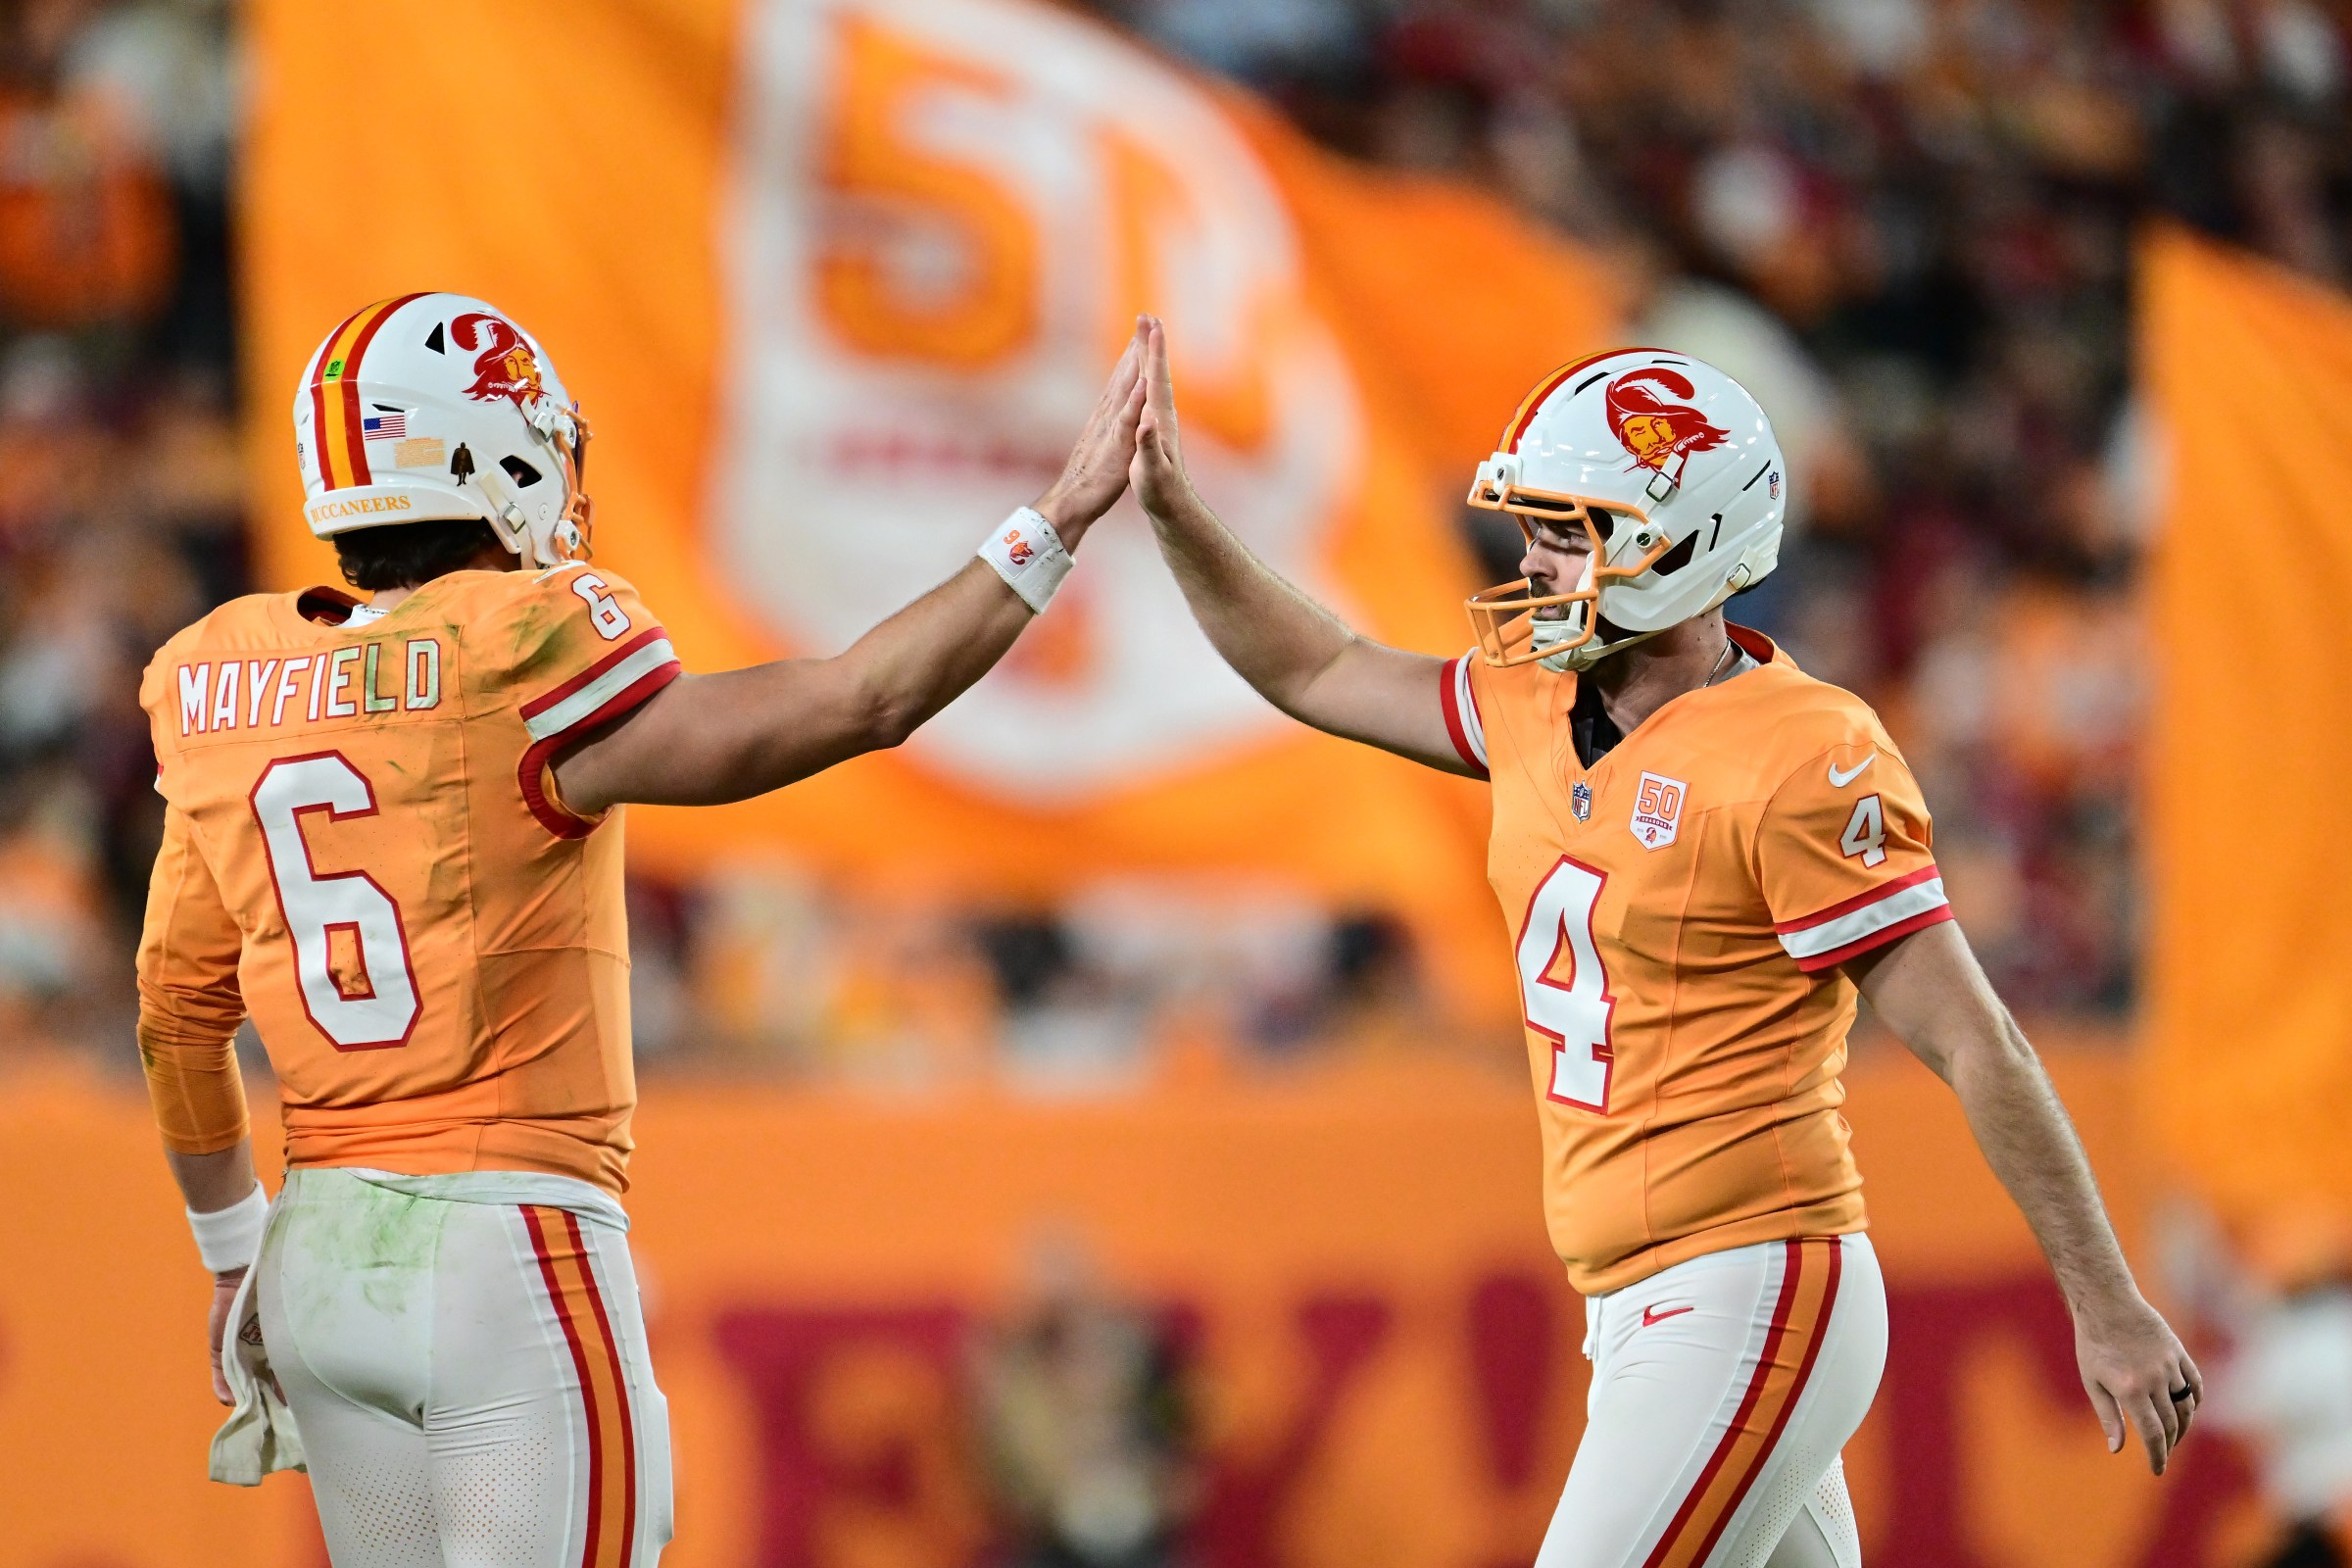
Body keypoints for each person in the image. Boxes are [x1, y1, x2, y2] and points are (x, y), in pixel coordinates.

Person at [1125, 320, 2201, 1568]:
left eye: (1567, 531)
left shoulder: (1802, 751)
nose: (1531, 562)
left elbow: (1976, 1038)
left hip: (1750, 1283)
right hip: (1637, 1305)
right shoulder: (1533, 693)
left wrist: (2105, 1298)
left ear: (1686, 540)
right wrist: (1172, 511)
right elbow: (1318, 666)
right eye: (1532, 525)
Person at [134, 293, 1147, 1566]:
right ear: (481, 456)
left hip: (322, 1252)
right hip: (502, 1237)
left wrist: (236, 1255)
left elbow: (176, 1015)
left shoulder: (230, 681)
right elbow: (859, 701)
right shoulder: (521, 644)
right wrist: (1049, 530)